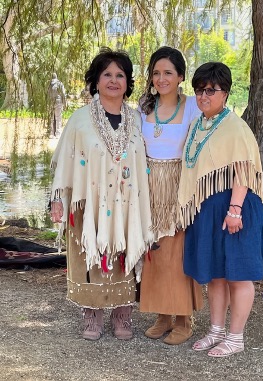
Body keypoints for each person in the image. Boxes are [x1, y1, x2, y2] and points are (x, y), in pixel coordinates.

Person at [50, 47, 153, 341]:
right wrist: (58, 198)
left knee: (123, 255)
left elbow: (141, 161)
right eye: (106, 74)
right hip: (89, 201)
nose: (113, 80)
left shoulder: (137, 121)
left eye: (120, 75)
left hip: (127, 202)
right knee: (89, 256)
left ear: (127, 82)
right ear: (96, 81)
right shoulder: (80, 120)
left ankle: (123, 314)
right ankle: (92, 316)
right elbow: (66, 161)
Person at [178, 62, 263, 357]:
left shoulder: (235, 126)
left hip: (237, 208)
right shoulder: (200, 125)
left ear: (225, 92)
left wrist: (234, 209)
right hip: (210, 209)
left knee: (239, 274)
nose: (203, 96)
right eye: (199, 90)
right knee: (217, 274)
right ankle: (216, 331)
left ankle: (235, 337)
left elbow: (243, 170)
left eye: (211, 90)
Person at [138, 46, 203, 346]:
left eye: (168, 73)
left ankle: (183, 319)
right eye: (156, 73)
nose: (161, 78)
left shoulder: (192, 107)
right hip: (150, 186)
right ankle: (162, 315)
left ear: (180, 76)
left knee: (177, 253)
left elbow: (203, 146)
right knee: (155, 252)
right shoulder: (144, 108)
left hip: (178, 186)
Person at [48, 73, 67, 137]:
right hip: (58, 101)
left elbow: (47, 93)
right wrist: (65, 103)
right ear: (56, 77)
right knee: (58, 118)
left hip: (50, 101)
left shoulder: (49, 84)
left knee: (51, 118)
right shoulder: (59, 83)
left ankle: (51, 133)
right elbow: (63, 93)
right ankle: (58, 133)